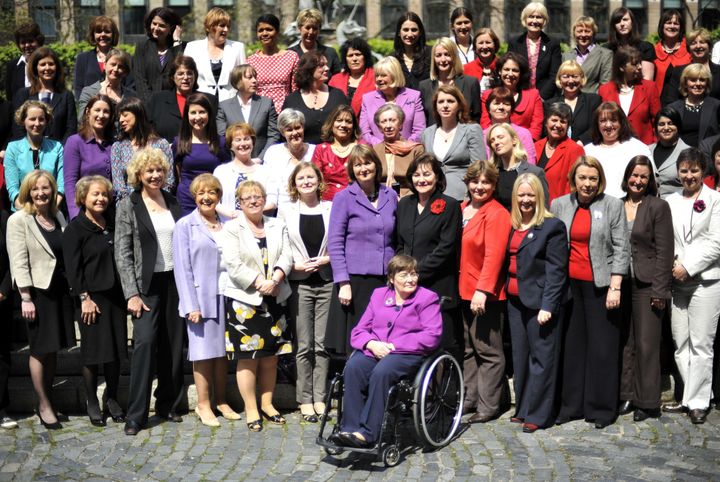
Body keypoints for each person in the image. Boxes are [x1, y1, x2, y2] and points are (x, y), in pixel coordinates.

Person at [331, 254, 442, 447]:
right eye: (404, 275)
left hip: (407, 353)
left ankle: (368, 433)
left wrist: (394, 345)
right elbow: (359, 330)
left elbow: (432, 335)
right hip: (376, 349)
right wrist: (371, 344)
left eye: (413, 274)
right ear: (391, 278)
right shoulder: (379, 295)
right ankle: (349, 428)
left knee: (382, 372)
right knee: (354, 367)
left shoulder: (427, 298)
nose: (410, 279)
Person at [551, 156, 629, 429]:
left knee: (603, 349)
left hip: (602, 287)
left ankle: (602, 409)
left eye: (593, 179)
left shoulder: (613, 205)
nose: (587, 183)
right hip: (569, 287)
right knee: (572, 348)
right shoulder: (559, 205)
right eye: (582, 178)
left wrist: (615, 286)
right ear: (574, 179)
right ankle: (571, 406)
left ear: (600, 181)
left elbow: (622, 248)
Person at [114, 148, 184, 436]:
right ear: (139, 175)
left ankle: (167, 404)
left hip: (174, 283)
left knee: (173, 345)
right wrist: (131, 293)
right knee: (144, 345)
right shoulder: (128, 205)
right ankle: (136, 415)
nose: (155, 175)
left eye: (160, 170)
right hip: (145, 286)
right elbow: (122, 252)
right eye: (149, 171)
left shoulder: (172, 201)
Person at [222, 180, 293, 432]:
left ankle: (268, 404)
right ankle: (251, 408)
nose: (253, 201)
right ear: (239, 203)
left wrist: (275, 278)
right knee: (248, 359)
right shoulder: (231, 228)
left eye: (257, 196)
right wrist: (259, 282)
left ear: (264, 199)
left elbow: (287, 255)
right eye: (247, 198)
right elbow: (232, 263)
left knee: (271, 357)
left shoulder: (277, 224)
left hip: (276, 296)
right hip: (245, 300)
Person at [7, 170, 73, 430]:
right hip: (36, 293)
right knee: (39, 349)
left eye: (46, 188)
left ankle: (49, 400)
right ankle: (43, 404)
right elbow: (18, 259)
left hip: (57, 290)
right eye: (35, 189)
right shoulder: (18, 220)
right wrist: (25, 296)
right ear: (27, 191)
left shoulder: (57, 215)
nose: (41, 193)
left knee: (54, 347)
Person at [173, 173, 241, 427]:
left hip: (227, 296)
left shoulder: (227, 224)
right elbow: (182, 267)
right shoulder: (185, 225)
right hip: (200, 299)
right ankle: (203, 404)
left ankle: (221, 400)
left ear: (219, 196)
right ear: (194, 196)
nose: (206, 197)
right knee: (202, 353)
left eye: (211, 192)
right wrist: (191, 305)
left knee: (222, 353)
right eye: (201, 193)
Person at [63, 176, 127, 427]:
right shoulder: (75, 228)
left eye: (104, 194)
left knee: (115, 352)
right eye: (95, 195)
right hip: (91, 299)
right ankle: (91, 400)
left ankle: (112, 397)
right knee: (92, 353)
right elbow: (73, 268)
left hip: (115, 298)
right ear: (83, 198)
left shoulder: (111, 223)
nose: (101, 199)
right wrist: (84, 298)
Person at [506, 173, 568, 432]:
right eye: (521, 195)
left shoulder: (552, 227)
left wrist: (548, 306)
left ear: (540, 196)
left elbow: (557, 271)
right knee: (520, 358)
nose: (526, 200)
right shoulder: (513, 224)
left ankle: (539, 414)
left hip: (539, 303)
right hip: (515, 301)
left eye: (531, 195)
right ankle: (523, 408)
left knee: (542, 358)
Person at [665, 148, 720, 424]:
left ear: (704, 171)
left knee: (701, 343)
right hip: (676, 280)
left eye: (694, 170)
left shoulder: (715, 200)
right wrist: (675, 265)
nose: (689, 176)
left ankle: (698, 403)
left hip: (706, 280)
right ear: (678, 172)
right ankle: (690, 394)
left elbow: (716, 242)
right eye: (684, 170)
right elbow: (665, 238)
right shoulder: (670, 200)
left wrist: (688, 266)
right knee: (680, 342)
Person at [327, 145, 398, 355]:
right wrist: (343, 282)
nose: (363, 168)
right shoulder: (343, 197)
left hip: (385, 280)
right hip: (355, 282)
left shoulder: (390, 195)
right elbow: (335, 242)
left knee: (383, 337)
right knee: (358, 341)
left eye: (367, 163)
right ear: (352, 170)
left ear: (376, 165)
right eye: (358, 165)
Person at [617, 156, 673, 422]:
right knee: (626, 343)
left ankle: (647, 401)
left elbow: (665, 251)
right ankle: (627, 393)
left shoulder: (658, 207)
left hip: (647, 283)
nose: (637, 181)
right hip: (620, 283)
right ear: (627, 176)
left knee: (647, 343)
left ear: (650, 180)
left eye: (643, 176)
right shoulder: (616, 205)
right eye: (634, 175)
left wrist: (660, 290)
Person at [278, 162, 333, 423]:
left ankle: (320, 397)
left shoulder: (330, 208)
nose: (307, 181)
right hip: (299, 281)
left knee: (321, 345)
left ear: (318, 180)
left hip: (326, 281)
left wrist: (327, 259)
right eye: (301, 178)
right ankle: (304, 399)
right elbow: (281, 244)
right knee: (303, 345)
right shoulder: (286, 211)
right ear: (294, 183)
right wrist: (293, 265)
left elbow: (339, 241)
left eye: (311, 177)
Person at [459, 160, 511, 423]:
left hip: (484, 293)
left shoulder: (497, 213)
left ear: (494, 185)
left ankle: (489, 405)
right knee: (469, 349)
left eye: (486, 182)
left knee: (488, 350)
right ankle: (470, 398)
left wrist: (483, 289)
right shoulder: (462, 208)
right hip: (462, 289)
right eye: (475, 181)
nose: (480, 186)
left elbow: (494, 255)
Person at [396, 154, 462, 360]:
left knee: (439, 348)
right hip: (408, 288)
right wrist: (401, 273)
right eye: (416, 175)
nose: (421, 180)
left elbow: (446, 248)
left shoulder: (449, 205)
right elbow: (399, 244)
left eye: (426, 174)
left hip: (437, 285)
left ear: (437, 177)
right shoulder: (404, 204)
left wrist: (414, 273)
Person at [421, 85, 485, 200]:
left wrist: (470, 197)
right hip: (433, 195)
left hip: (462, 195)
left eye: (450, 101)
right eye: (441, 102)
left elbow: (478, 167)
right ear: (435, 106)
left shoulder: (472, 130)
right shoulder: (427, 133)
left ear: (459, 105)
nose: (445, 105)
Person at [173, 92, 229, 215]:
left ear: (209, 114)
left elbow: (227, 172)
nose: (197, 117)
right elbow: (177, 170)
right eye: (193, 112)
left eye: (202, 112)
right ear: (187, 115)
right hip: (187, 198)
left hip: (213, 199)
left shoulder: (220, 142)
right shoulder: (179, 142)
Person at [583, 102, 652, 198]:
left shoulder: (639, 148)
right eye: (603, 121)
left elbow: (650, 184)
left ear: (621, 122)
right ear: (597, 124)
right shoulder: (587, 151)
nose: (608, 125)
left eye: (613, 120)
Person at [111, 97, 175, 201]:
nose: (121, 120)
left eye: (125, 115)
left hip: (159, 203)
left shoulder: (161, 144)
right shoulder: (118, 147)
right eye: (119, 117)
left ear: (137, 114)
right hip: (130, 206)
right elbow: (118, 185)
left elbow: (169, 181)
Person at [4, 100, 64, 212]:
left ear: (46, 121)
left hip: (52, 211)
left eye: (41, 119)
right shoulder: (12, 149)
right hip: (22, 212)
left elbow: (61, 185)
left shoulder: (57, 148)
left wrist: (51, 210)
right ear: (23, 121)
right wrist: (27, 213)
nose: (37, 123)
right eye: (32, 119)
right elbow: (13, 188)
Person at [63, 95, 115, 219]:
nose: (101, 115)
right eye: (97, 110)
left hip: (111, 214)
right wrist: (75, 215)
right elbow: (70, 182)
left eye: (106, 111)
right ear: (88, 112)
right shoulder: (75, 142)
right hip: (84, 214)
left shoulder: (114, 144)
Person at [281, 52, 349, 145]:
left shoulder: (338, 95)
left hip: (333, 154)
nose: (327, 68)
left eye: (326, 64)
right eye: (321, 65)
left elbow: (350, 124)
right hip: (304, 156)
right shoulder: (292, 100)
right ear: (309, 69)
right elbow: (284, 131)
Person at [598, 47, 661, 146]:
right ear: (622, 67)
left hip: (644, 146)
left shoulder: (649, 87)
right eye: (635, 64)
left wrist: (655, 145)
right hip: (614, 146)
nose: (640, 67)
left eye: (640, 63)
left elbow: (657, 120)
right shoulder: (605, 90)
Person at [12, 47, 76, 143]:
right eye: (42, 64)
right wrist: (31, 148)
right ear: (35, 68)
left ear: (57, 67)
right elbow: (18, 127)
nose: (47, 68)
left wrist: (59, 151)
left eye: (51, 64)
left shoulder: (66, 95)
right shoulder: (23, 95)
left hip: (58, 152)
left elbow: (71, 128)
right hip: (28, 152)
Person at [146, 56, 216, 144]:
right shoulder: (157, 100)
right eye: (180, 74)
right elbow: (147, 128)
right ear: (172, 77)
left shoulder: (209, 100)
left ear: (195, 76)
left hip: (199, 152)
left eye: (189, 73)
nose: (185, 77)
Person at [216, 64, 279, 159]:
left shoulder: (266, 103)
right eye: (249, 77)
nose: (254, 81)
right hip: (234, 162)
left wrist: (260, 159)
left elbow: (274, 136)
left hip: (260, 162)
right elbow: (222, 138)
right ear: (237, 81)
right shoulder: (224, 107)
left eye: (255, 77)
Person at [183, 8, 246, 102]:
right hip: (201, 104)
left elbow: (242, 79)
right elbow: (185, 76)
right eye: (222, 26)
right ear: (209, 27)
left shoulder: (237, 48)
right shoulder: (192, 47)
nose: (226, 29)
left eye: (228, 26)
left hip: (231, 104)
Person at [359, 56, 425, 145]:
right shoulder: (367, 99)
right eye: (377, 75)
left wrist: (405, 145)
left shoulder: (413, 96)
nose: (379, 79)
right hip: (377, 152)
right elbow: (364, 131)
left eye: (383, 75)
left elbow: (420, 130)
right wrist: (382, 146)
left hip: (407, 152)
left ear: (395, 75)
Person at [480, 52, 544, 141]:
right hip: (494, 145)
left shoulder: (533, 95)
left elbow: (536, 127)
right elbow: (485, 124)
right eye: (506, 69)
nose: (510, 74)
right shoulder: (487, 95)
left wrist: (521, 144)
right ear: (499, 71)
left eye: (515, 70)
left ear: (521, 73)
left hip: (524, 146)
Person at [263, 109, 316, 211]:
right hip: (283, 211)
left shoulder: (315, 151)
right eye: (289, 130)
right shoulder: (273, 153)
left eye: (297, 128)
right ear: (282, 132)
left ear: (303, 127)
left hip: (311, 208)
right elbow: (270, 188)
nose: (295, 133)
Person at [486, 123, 548, 211]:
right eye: (492, 140)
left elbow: (543, 209)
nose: (496, 142)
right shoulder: (492, 174)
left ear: (514, 140)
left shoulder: (535, 173)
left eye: (500, 137)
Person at [418, 37, 481, 125]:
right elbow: (423, 120)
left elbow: (476, 116)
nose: (443, 60)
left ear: (454, 56)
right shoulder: (424, 86)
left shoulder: (470, 83)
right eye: (438, 55)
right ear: (433, 58)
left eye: (447, 55)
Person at [507, 2, 561, 100]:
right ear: (525, 19)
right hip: (519, 96)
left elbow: (555, 75)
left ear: (544, 20)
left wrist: (540, 98)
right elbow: (510, 70)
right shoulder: (515, 42)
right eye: (531, 16)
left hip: (545, 98)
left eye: (539, 17)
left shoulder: (553, 43)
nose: (534, 21)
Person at [213, 123, 268, 220]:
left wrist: (251, 213)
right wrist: (231, 214)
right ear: (230, 145)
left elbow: (272, 201)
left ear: (252, 142)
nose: (243, 144)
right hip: (229, 225)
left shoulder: (265, 171)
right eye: (238, 140)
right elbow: (215, 200)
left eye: (246, 139)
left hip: (258, 225)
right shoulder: (221, 171)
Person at [247, 14, 299, 114]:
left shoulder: (291, 57)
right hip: (259, 113)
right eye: (260, 30)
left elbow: (296, 90)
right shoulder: (251, 61)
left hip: (285, 113)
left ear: (277, 32)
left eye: (269, 29)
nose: (264, 33)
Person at [535, 103, 586, 202]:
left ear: (568, 126)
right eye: (554, 120)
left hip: (558, 209)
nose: (558, 125)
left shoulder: (575, 150)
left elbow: (573, 185)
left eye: (563, 122)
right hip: (534, 206)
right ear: (546, 122)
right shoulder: (536, 146)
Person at [133, 7, 184, 102]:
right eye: (154, 23)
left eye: (162, 25)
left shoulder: (180, 47)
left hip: (174, 102)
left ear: (171, 28)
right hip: (148, 103)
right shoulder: (142, 47)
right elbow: (140, 79)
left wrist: (177, 40)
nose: (156, 28)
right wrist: (149, 104)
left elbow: (180, 68)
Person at [373, 104, 424, 197]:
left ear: (400, 124)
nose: (388, 125)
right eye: (384, 121)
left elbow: (421, 179)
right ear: (379, 128)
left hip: (409, 198)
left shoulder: (416, 150)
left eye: (392, 120)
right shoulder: (375, 151)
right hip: (380, 199)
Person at [547, 60, 602, 145]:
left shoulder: (594, 101)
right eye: (566, 76)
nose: (571, 81)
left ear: (582, 79)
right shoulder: (550, 104)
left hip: (585, 148)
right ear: (559, 79)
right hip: (557, 149)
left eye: (575, 76)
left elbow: (596, 126)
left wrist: (580, 143)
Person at [311, 105, 359, 200]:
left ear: (353, 126)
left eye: (348, 122)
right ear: (332, 123)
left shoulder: (360, 148)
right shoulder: (321, 149)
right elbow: (314, 178)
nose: (343, 125)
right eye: (339, 120)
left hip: (356, 202)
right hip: (327, 203)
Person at [667, 64, 720, 148]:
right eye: (693, 80)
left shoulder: (716, 105)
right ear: (685, 83)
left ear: (707, 83)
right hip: (680, 157)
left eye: (702, 80)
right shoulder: (674, 108)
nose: (698, 83)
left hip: (707, 156)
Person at [662, 28, 720, 104]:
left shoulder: (719, 71)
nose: (698, 46)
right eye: (693, 43)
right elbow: (670, 101)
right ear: (689, 48)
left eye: (702, 42)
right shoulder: (679, 71)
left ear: (709, 46)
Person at [482, 87, 537, 164]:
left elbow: (531, 163)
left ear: (511, 108)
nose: (501, 107)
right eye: (496, 103)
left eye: (506, 104)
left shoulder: (523, 134)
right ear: (488, 108)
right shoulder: (481, 136)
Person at [73, 16, 122, 99]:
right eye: (98, 32)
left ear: (113, 35)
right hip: (91, 109)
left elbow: (130, 86)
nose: (102, 35)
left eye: (107, 32)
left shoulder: (123, 58)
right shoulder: (82, 58)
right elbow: (78, 88)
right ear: (93, 34)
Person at [77, 48, 136, 116]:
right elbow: (83, 120)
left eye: (120, 67)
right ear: (104, 65)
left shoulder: (131, 96)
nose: (116, 69)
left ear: (125, 71)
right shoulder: (89, 92)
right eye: (113, 64)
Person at [562, 16, 612, 94]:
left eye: (587, 31)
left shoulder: (605, 55)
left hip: (593, 102)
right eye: (580, 31)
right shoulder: (566, 56)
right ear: (574, 33)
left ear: (593, 33)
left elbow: (605, 85)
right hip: (569, 102)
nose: (583, 34)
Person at [605, 7, 656, 81]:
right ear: (613, 26)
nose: (622, 24)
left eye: (625, 20)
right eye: (618, 21)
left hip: (639, 90)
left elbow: (647, 80)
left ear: (632, 22)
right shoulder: (606, 49)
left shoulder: (646, 48)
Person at [329, 38, 376, 118]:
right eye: (350, 55)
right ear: (345, 59)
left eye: (358, 54)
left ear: (365, 57)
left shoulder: (376, 78)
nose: (354, 59)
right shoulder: (335, 80)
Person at [288, 9, 341, 76]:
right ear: (299, 28)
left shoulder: (330, 53)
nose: (311, 32)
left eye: (315, 28)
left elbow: (337, 79)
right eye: (307, 28)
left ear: (319, 30)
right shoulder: (290, 54)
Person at [0, 209, 16, 429]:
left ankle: (1, 407)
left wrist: (4, 289)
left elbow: (14, 256)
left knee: (1, 354)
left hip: (1, 296)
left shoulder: (5, 218)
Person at [653, 10, 691, 96]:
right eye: (668, 23)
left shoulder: (689, 50)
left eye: (676, 23)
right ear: (662, 26)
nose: (672, 26)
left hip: (685, 101)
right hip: (659, 103)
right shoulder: (653, 51)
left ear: (681, 28)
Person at [5, 22, 44, 102]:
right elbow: (10, 97)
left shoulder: (48, 64)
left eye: (30, 41)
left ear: (38, 41)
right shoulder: (12, 66)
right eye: (23, 42)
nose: (27, 45)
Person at [392, 12, 431, 90]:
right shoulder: (392, 59)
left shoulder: (431, 54)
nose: (410, 34)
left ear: (420, 32)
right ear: (399, 33)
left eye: (414, 30)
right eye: (405, 30)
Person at [463, 28, 500, 94]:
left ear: (495, 45)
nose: (485, 47)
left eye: (488, 42)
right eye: (481, 43)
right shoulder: (465, 69)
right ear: (475, 46)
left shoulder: (503, 66)